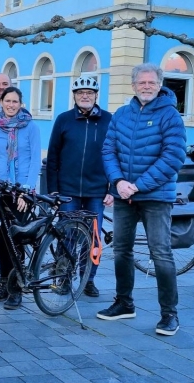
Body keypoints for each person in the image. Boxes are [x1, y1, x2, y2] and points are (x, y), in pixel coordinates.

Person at [98, 63, 186, 336]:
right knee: (121, 250)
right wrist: (118, 182)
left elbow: (173, 157)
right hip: (124, 194)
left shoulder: (171, 116)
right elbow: (108, 150)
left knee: (161, 253)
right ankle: (124, 303)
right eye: (141, 82)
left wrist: (137, 185)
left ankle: (169, 315)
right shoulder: (122, 114)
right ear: (133, 85)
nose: (146, 86)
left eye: (151, 82)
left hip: (156, 197)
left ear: (159, 85)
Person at [46, 76, 113, 298]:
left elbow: (117, 156)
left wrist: (112, 188)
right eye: (80, 92)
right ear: (74, 95)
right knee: (68, 236)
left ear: (96, 96)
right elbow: (53, 156)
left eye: (90, 93)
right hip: (68, 190)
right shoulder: (64, 119)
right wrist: (53, 190)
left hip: (97, 190)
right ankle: (64, 279)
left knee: (93, 239)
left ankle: (88, 279)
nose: (85, 96)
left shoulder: (108, 121)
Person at [0, 86, 41, 309]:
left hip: (23, 191)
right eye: (7, 101)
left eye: (15, 101)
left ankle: (17, 288)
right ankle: (4, 283)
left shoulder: (31, 127)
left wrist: (26, 192)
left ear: (21, 103)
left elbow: (36, 160)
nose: (11, 105)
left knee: (18, 239)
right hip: (2, 190)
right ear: (0, 103)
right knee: (2, 240)